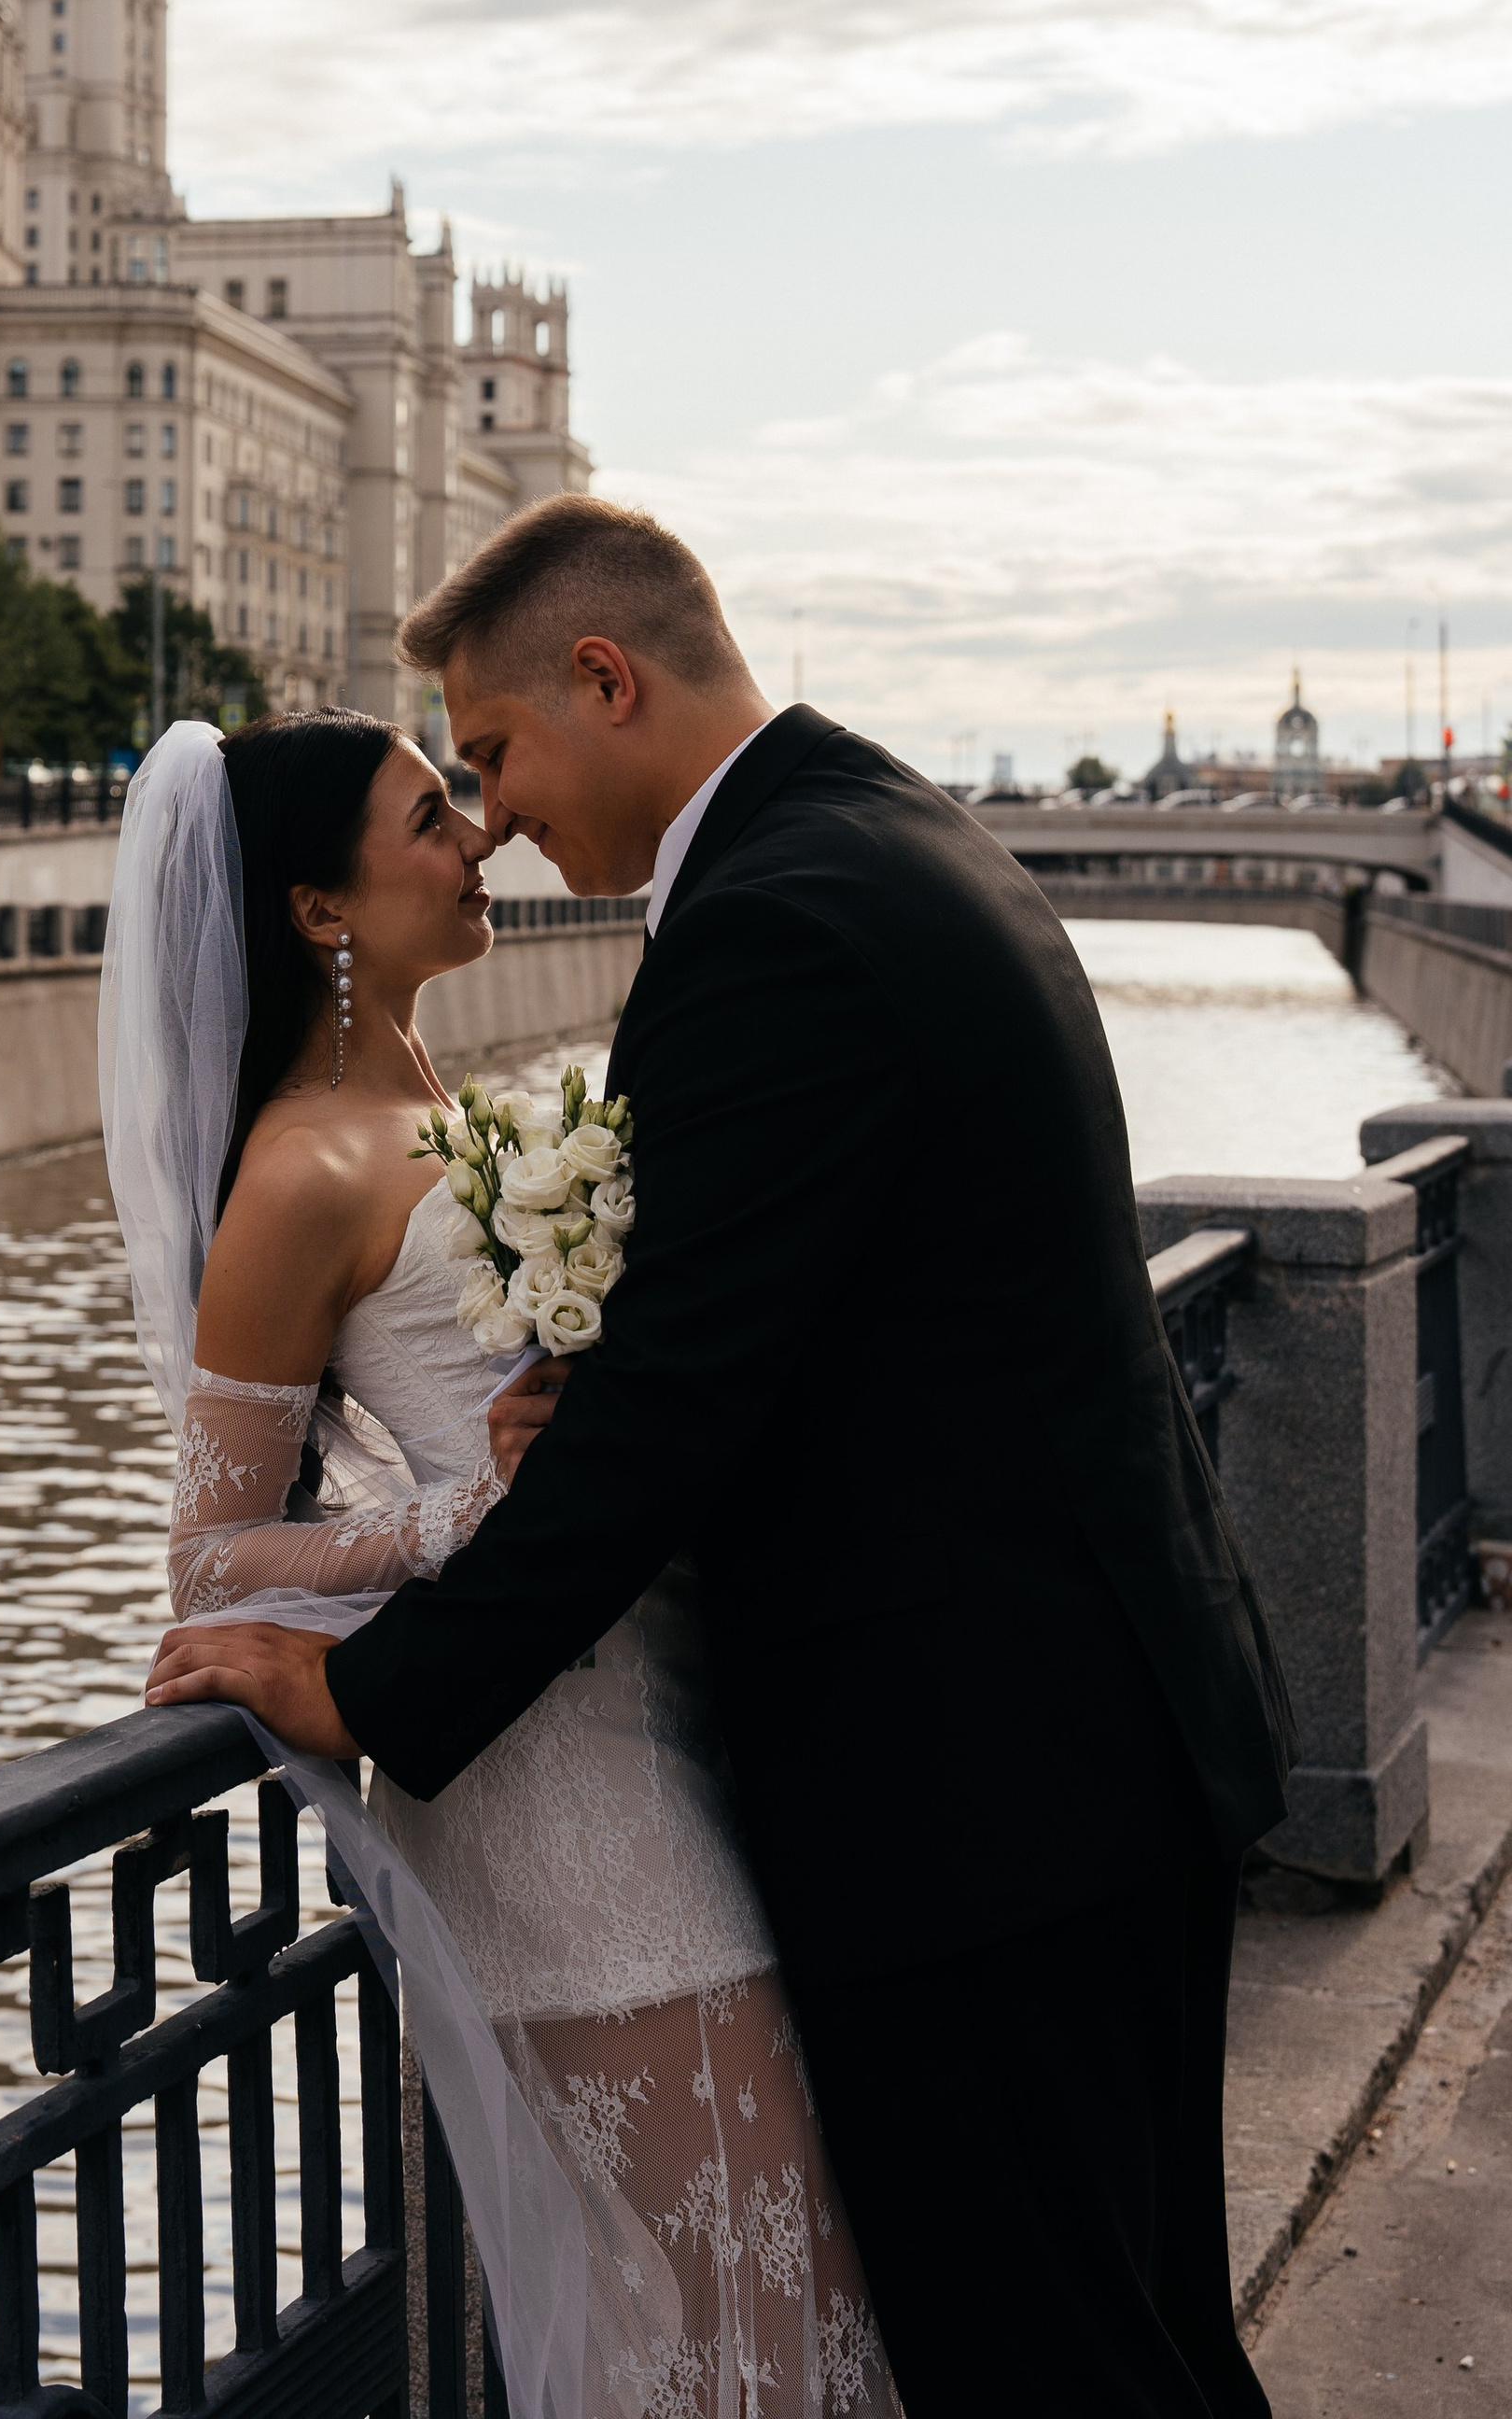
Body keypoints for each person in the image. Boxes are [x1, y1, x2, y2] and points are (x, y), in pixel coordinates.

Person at [147, 496, 1298, 2419]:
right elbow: (772, 1334)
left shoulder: (776, 922)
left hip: (975, 1803)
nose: (493, 817)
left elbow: (676, 1413)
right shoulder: (884, 833)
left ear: (605, 679)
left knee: (1055, 2367)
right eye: (449, 789)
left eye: (493, 755)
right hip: (1073, 1753)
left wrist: (375, 1693)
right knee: (1137, 2346)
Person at [104, 705, 900, 2417]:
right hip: (545, 1786)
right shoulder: (298, 1172)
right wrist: (456, 1521)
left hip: (657, 1713)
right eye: (428, 818)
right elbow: (211, 1558)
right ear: (319, 908)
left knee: (772, 2287)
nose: (479, 839)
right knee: (741, 2289)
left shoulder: (444, 1110)